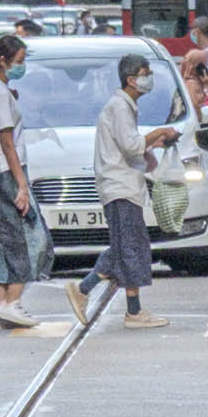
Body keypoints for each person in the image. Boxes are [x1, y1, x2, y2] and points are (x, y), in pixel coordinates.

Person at [67, 49, 178, 330]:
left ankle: (87, 291)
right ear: (131, 79)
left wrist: (151, 149)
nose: (149, 79)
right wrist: (160, 132)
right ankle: (130, 310)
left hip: (124, 185)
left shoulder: (126, 106)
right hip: (119, 187)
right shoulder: (119, 107)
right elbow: (131, 144)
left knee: (126, 246)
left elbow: (130, 148)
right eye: (145, 75)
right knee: (130, 247)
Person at [0, 32, 50, 328]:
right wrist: (21, 185)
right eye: (18, 62)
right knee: (33, 239)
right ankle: (14, 301)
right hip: (8, 172)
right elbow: (7, 142)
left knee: (1, 241)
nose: (22, 67)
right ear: (3, 61)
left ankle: (3, 306)